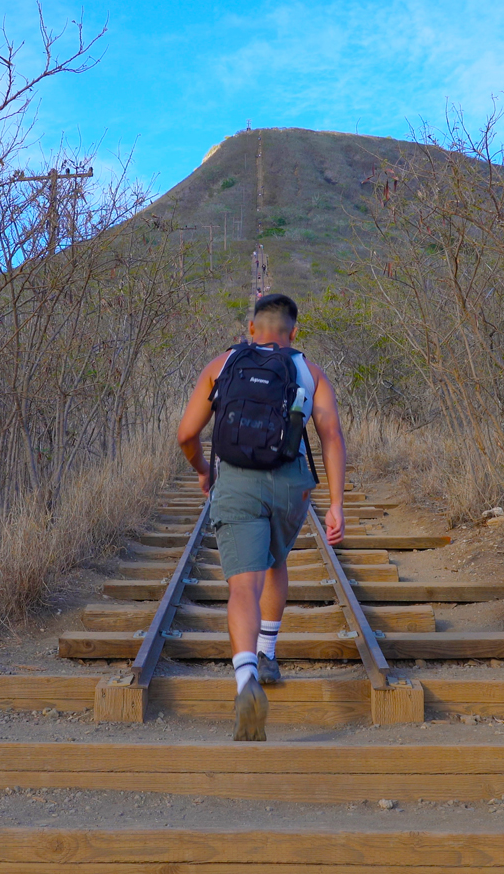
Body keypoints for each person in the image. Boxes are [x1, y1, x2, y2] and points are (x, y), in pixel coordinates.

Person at [176, 293, 347, 741]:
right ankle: (269, 652)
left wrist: (201, 472)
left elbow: (186, 434)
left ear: (251, 329)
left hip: (235, 481)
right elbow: (331, 436)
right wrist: (336, 503)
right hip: (290, 484)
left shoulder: (223, 363)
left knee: (242, 585)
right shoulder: (308, 371)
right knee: (275, 560)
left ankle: (246, 677)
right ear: (294, 332)